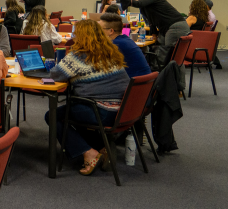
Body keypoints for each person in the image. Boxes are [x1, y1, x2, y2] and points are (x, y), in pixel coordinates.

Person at [46, 20, 130, 176]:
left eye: (75, 34)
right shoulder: (111, 51)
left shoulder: (79, 56)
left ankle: (88, 153)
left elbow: (55, 75)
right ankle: (101, 146)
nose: (73, 37)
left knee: (52, 115)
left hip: (100, 112)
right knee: (74, 111)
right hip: (123, 111)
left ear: (82, 37)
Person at [123, 0, 188, 67]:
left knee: (168, 55)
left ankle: (167, 74)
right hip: (166, 28)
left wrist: (127, 2)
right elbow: (150, 22)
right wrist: (154, 33)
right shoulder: (144, 7)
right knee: (159, 48)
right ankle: (158, 71)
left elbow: (139, 3)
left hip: (176, 26)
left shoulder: (143, 3)